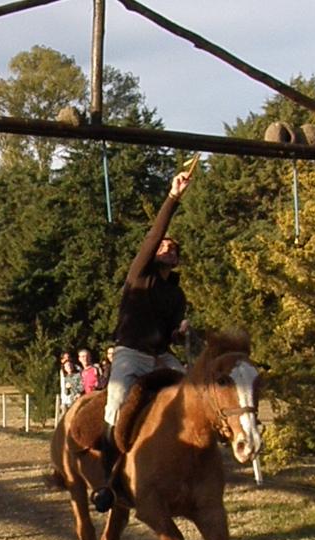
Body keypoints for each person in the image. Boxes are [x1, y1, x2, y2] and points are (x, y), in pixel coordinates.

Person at [91, 168, 195, 512]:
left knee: (192, 391)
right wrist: (173, 196)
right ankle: (108, 481)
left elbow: (166, 334)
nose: (167, 247)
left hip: (159, 354)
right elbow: (154, 234)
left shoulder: (177, 296)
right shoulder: (139, 274)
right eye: (163, 245)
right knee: (117, 399)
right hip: (131, 353)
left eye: (172, 247)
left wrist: (177, 335)